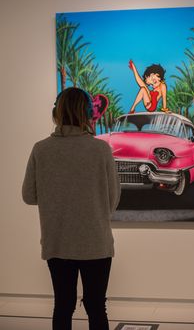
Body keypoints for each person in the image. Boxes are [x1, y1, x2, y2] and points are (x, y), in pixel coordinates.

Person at [22, 87, 121, 330]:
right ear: (88, 113)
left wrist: (57, 198)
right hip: (96, 243)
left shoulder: (41, 149)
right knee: (96, 306)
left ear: (57, 112)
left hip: (57, 242)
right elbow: (113, 199)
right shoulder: (100, 150)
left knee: (63, 305)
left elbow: (28, 196)